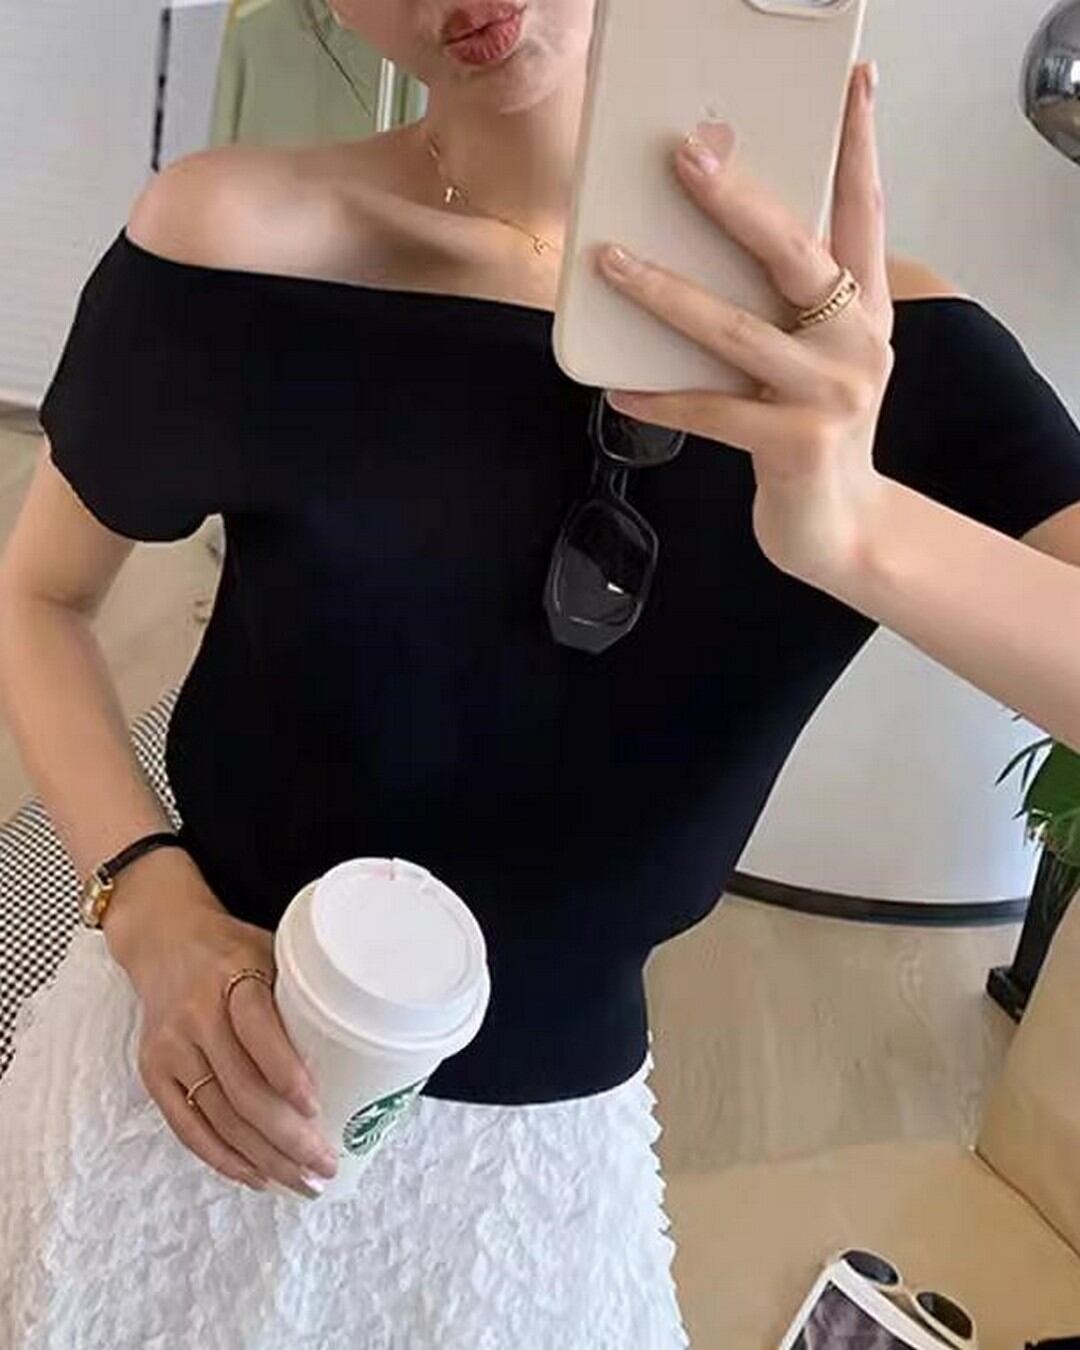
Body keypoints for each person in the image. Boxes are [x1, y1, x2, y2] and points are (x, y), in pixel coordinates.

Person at [1, 0, 1079, 1345]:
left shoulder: (879, 362)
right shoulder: (232, 250)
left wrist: (856, 526)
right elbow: (39, 597)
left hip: (533, 1184)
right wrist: (145, 903)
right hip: (189, 1064)